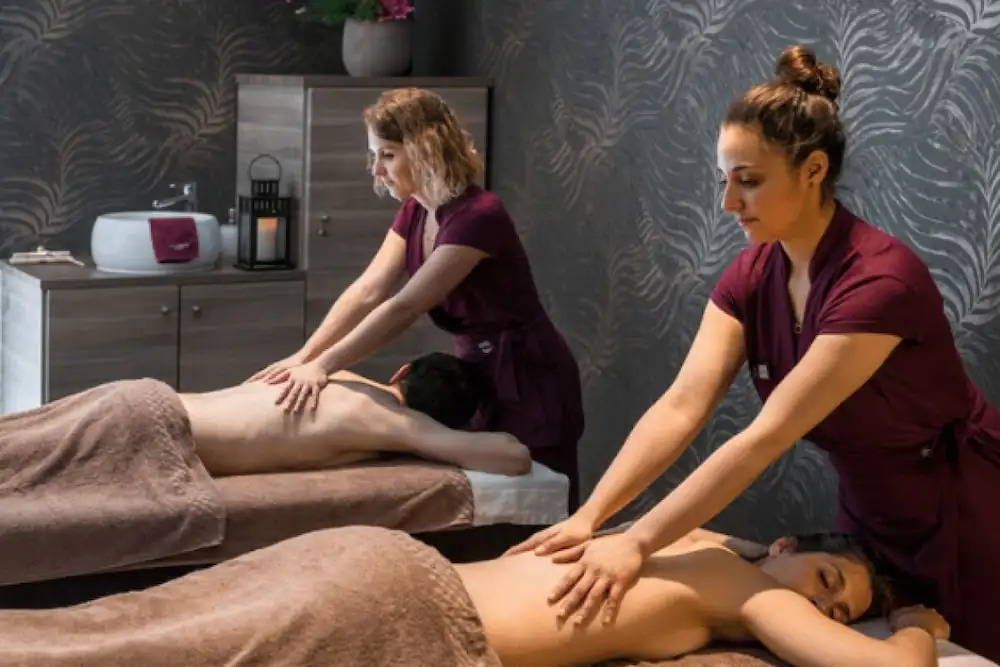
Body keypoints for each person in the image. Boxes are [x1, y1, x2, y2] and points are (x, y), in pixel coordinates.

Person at [506, 45, 1000, 661]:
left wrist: (639, 542)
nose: (728, 204)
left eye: (749, 181)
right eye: (725, 181)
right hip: (866, 511)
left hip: (963, 509)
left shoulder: (880, 283)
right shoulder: (753, 276)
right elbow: (682, 405)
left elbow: (767, 436)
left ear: (813, 170)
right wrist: (594, 517)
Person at [248, 88, 585, 509]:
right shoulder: (416, 211)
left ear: (427, 149)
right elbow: (368, 290)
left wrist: (323, 366)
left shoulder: (480, 216)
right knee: (489, 500)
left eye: (387, 155)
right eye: (374, 156)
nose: (376, 170)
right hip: (475, 371)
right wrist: (305, 355)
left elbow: (405, 306)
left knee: (542, 498)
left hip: (529, 375)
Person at [0, 523, 951, 666]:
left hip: (374, 559)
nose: (819, 610)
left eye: (837, 612)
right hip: (395, 614)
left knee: (104, 632)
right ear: (785, 545)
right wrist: (914, 625)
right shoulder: (743, 589)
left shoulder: (677, 534)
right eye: (827, 581)